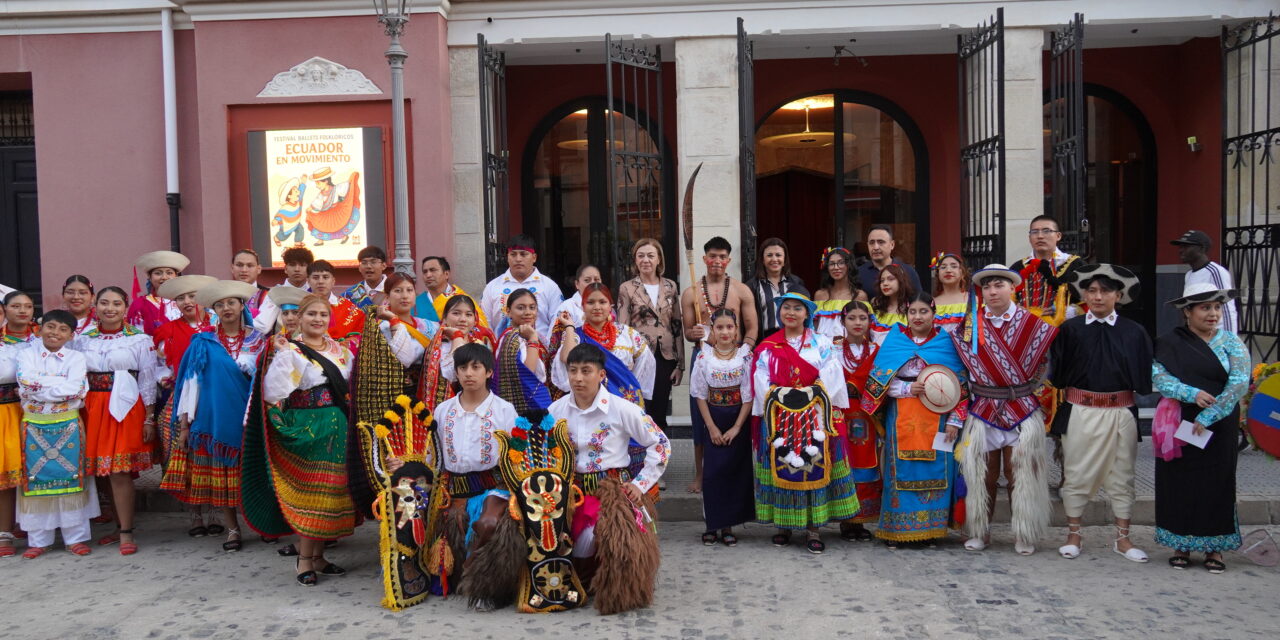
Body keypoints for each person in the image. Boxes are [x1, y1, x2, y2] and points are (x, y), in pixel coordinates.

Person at [245, 294, 357, 585]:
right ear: (299, 318)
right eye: (311, 314)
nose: (318, 319)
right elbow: (273, 395)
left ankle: (318, 558)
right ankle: (304, 560)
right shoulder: (292, 352)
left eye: (323, 314)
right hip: (310, 430)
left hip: (339, 431)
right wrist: (284, 427)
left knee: (330, 495)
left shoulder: (341, 351)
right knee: (313, 496)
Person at [549, 343, 669, 614]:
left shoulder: (622, 409)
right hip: (569, 490)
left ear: (602, 375)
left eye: (586, 371)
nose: (578, 378)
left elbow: (660, 444)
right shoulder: (556, 410)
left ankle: (612, 586)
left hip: (611, 490)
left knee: (599, 538)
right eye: (573, 371)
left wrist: (640, 485)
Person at [1050, 264, 1153, 563]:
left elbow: (1145, 375)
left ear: (1118, 295)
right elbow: (1058, 373)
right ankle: (1073, 535)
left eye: (1105, 291)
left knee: (1123, 475)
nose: (1097, 296)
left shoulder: (1134, 332)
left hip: (1121, 411)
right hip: (1081, 409)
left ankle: (1123, 538)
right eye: (1091, 290)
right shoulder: (1070, 330)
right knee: (1077, 473)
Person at [952, 265, 1057, 555]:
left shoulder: (1032, 324)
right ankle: (979, 530)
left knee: (1020, 473)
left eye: (999, 285)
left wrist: (1021, 390)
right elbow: (963, 369)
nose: (993, 291)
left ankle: (1023, 531)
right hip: (983, 407)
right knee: (981, 474)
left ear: (1013, 288)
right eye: (987, 287)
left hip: (1021, 407)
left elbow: (1042, 366)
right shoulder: (970, 326)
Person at [161, 280, 267, 553]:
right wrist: (185, 425)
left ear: (242, 305)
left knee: (254, 475)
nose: (226, 308)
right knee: (224, 477)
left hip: (250, 416)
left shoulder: (259, 340)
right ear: (213, 310)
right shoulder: (203, 342)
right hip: (214, 417)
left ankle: (262, 522)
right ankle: (232, 529)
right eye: (220, 304)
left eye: (231, 302)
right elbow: (190, 384)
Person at [1152, 283, 1250, 573]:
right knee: (1178, 482)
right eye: (1205, 307)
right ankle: (1180, 543)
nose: (1213, 314)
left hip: (1219, 424)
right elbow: (1158, 376)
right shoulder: (1169, 342)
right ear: (1188, 312)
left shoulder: (1231, 342)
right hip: (1179, 420)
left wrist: (1208, 417)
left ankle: (1215, 548)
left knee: (1217, 482)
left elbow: (1239, 384)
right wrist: (1190, 393)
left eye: (1217, 307)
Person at [752, 292, 859, 554]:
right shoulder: (768, 346)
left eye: (797, 308)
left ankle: (814, 528)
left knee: (813, 467)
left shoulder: (821, 343)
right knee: (783, 465)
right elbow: (760, 376)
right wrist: (780, 396)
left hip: (814, 414)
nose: (790, 312)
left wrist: (810, 396)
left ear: (807, 314)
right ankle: (784, 525)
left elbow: (832, 371)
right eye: (786, 307)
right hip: (780, 415)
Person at [417, 343, 522, 607]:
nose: (468, 373)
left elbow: (516, 456)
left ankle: (488, 588)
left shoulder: (504, 410)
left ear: (488, 372)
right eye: (462, 367)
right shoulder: (443, 410)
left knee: (490, 524)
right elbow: (434, 455)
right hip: (453, 490)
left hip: (493, 488)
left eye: (476, 367)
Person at [862, 293, 967, 548]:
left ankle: (931, 530)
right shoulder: (894, 341)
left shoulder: (946, 343)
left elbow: (962, 386)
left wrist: (955, 421)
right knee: (900, 470)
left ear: (934, 314)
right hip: (902, 415)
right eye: (913, 312)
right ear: (906, 315)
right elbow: (876, 384)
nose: (918, 317)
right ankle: (897, 530)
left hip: (939, 418)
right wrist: (908, 390)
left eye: (923, 312)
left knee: (939, 468)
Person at [75, 286, 159, 555]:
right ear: (95, 306)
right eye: (104, 303)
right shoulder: (82, 340)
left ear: (125, 308)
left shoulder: (139, 340)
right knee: (103, 470)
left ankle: (126, 531)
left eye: (116, 304)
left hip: (124, 407)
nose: (109, 308)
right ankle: (117, 524)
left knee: (120, 471)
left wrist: (149, 418)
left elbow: (147, 379)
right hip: (92, 408)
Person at [13, 311, 95, 559]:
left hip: (67, 424)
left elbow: (78, 388)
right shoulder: (26, 354)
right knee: (36, 477)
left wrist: (42, 388)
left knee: (72, 477)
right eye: (50, 326)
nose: (54, 333)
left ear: (71, 335)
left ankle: (75, 538)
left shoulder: (76, 357)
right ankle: (39, 539)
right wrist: (58, 388)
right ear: (39, 328)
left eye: (62, 329)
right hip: (34, 426)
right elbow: (26, 384)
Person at [682, 236, 758, 493]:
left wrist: (743, 353)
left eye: (722, 256)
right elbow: (688, 332)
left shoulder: (741, 290)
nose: (717, 261)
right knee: (699, 415)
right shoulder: (691, 293)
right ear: (704, 259)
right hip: (705, 359)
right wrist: (693, 334)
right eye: (712, 256)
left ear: (728, 260)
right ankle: (701, 474)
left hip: (735, 359)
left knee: (737, 412)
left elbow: (752, 328)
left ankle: (738, 471)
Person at [690, 308, 754, 547]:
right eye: (720, 327)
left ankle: (728, 524)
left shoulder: (745, 356)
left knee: (734, 472)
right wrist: (712, 427)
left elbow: (748, 395)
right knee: (713, 473)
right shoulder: (704, 357)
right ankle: (712, 524)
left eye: (730, 327)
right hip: (714, 418)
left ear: (737, 330)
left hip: (738, 419)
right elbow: (699, 395)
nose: (725, 332)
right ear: (712, 331)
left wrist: (737, 427)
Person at [616, 238, 684, 433]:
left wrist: (680, 364)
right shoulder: (627, 288)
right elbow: (622, 327)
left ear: (659, 260)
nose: (646, 260)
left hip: (665, 357)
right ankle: (641, 459)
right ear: (635, 260)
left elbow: (676, 325)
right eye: (641, 255)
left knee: (660, 411)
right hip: (639, 356)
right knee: (640, 409)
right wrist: (624, 362)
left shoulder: (670, 286)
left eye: (650, 255)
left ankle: (660, 457)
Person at [151, 275, 216, 473]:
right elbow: (160, 363)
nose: (187, 302)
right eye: (181, 298)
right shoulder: (167, 331)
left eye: (192, 296)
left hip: (214, 395)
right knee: (174, 442)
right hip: (182, 396)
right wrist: (164, 378)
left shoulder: (219, 326)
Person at [554, 283, 655, 406]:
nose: (597, 307)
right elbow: (566, 359)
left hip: (624, 402)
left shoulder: (626, 334)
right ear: (583, 307)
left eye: (602, 302)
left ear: (610, 306)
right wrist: (570, 326)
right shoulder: (575, 335)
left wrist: (630, 382)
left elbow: (646, 360)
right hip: (589, 402)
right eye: (590, 302)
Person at [834, 300, 882, 541]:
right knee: (844, 464)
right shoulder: (832, 350)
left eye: (862, 318)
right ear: (843, 321)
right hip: (840, 415)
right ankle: (845, 519)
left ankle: (860, 521)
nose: (857, 323)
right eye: (852, 318)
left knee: (865, 466)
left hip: (867, 415)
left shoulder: (876, 350)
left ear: (869, 322)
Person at [0, 291, 39, 557]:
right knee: (6, 471)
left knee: (33, 468)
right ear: (5, 309)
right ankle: (4, 532)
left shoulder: (42, 340)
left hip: (34, 411)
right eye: (16, 306)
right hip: (4, 411)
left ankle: (33, 526)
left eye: (27, 306)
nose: (22, 311)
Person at [481, 234, 564, 337]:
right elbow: (485, 323)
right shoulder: (492, 287)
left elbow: (556, 322)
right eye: (513, 254)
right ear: (507, 257)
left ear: (534, 257)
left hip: (540, 349)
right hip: (501, 350)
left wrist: (548, 350)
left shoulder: (550, 287)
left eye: (523, 254)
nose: (518, 259)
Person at [371, 272, 439, 395]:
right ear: (387, 297)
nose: (405, 296)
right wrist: (394, 320)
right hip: (398, 394)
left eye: (409, 290)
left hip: (429, 391)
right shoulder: (383, 328)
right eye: (398, 291)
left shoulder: (430, 325)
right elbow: (405, 359)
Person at [1009, 215, 1084, 326]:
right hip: (1025, 328)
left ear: (1058, 236)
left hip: (1066, 330)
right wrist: (1016, 311)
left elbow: (1088, 302)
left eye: (1046, 231)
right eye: (1034, 232)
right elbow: (1006, 300)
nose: (1040, 236)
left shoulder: (1075, 264)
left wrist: (1061, 311)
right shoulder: (1018, 267)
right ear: (1029, 238)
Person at [1172, 229, 1239, 334]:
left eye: (1186, 247)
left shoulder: (1215, 272)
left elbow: (1227, 307)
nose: (1181, 250)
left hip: (1215, 336)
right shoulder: (1189, 275)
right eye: (1181, 247)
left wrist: (1230, 341)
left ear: (1202, 248)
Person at [745, 237, 810, 343]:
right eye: (769, 255)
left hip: (793, 340)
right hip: (765, 341)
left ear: (785, 260)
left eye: (778, 255)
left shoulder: (796, 283)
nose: (774, 259)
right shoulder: (752, 286)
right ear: (762, 259)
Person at [493, 289, 550, 407]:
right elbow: (528, 373)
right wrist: (532, 340)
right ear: (508, 311)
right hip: (523, 404)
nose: (528, 312)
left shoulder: (539, 337)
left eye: (532, 307)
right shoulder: (510, 339)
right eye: (521, 308)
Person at [253, 247, 313, 335]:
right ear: (285, 268)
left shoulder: (314, 292)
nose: (297, 269)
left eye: (302, 265)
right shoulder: (276, 293)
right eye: (292, 265)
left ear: (309, 269)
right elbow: (262, 326)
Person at [127, 250, 189, 335]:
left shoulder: (188, 302)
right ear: (149, 276)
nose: (164, 277)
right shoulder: (140, 304)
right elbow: (135, 337)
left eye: (169, 273)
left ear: (176, 276)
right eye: (158, 273)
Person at [307, 259, 365, 349]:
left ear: (333, 281)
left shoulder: (348, 308)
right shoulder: (300, 307)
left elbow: (361, 335)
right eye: (315, 277)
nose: (320, 281)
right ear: (308, 281)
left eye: (325, 277)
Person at [414, 255, 487, 327]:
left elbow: (481, 329)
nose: (428, 275)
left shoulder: (463, 299)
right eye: (425, 272)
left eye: (433, 270)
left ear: (446, 274)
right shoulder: (416, 302)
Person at [857, 225, 923, 299]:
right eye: (871, 243)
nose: (875, 247)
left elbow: (918, 302)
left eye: (881, 242)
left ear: (892, 245)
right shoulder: (859, 273)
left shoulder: (907, 271)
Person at [813, 247, 860, 338]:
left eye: (841, 263)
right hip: (823, 349)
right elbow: (814, 328)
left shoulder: (859, 296)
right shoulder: (820, 295)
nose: (836, 267)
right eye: (832, 264)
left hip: (849, 349)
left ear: (848, 265)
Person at [870, 264, 916, 341]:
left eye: (890, 279)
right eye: (882, 280)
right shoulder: (875, 306)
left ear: (901, 281)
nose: (885, 284)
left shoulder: (912, 308)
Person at [930, 252, 971, 333]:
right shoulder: (931, 303)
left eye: (954, 266)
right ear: (938, 274)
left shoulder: (974, 300)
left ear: (962, 272)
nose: (948, 270)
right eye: (943, 267)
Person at [343, 246, 388, 313]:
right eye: (364, 263)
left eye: (373, 262)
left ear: (383, 266)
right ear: (359, 268)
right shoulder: (350, 294)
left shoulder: (393, 289)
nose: (368, 266)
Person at [230, 249, 269, 316]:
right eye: (239, 265)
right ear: (232, 268)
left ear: (259, 269)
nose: (244, 270)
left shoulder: (269, 295)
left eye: (250, 265)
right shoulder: (224, 295)